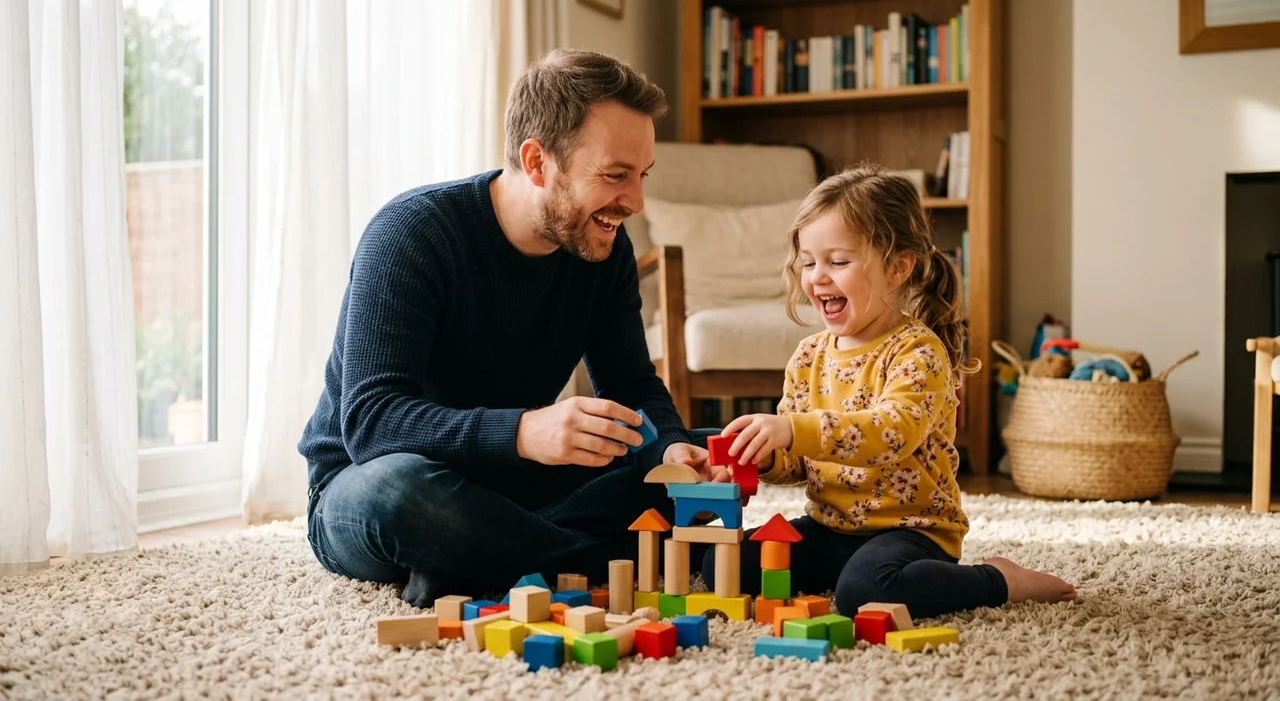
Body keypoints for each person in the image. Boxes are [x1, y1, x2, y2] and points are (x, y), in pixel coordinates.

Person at [299, 49, 717, 609]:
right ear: (538, 162)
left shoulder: (604, 249)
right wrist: (525, 433)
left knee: (687, 457)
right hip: (373, 481)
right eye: (616, 176)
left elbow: (632, 385)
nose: (635, 202)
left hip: (514, 483)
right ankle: (600, 562)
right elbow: (371, 423)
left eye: (641, 177)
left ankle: (475, 563)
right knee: (400, 496)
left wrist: (668, 453)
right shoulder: (411, 233)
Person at [701, 164, 1077, 618]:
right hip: (829, 525)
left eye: (838, 261)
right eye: (808, 262)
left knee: (868, 593)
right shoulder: (808, 356)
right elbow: (799, 459)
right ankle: (841, 572)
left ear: (898, 268)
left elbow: (891, 433)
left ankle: (998, 579)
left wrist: (792, 428)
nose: (818, 276)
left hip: (912, 532)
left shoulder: (918, 351)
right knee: (725, 564)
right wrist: (762, 456)